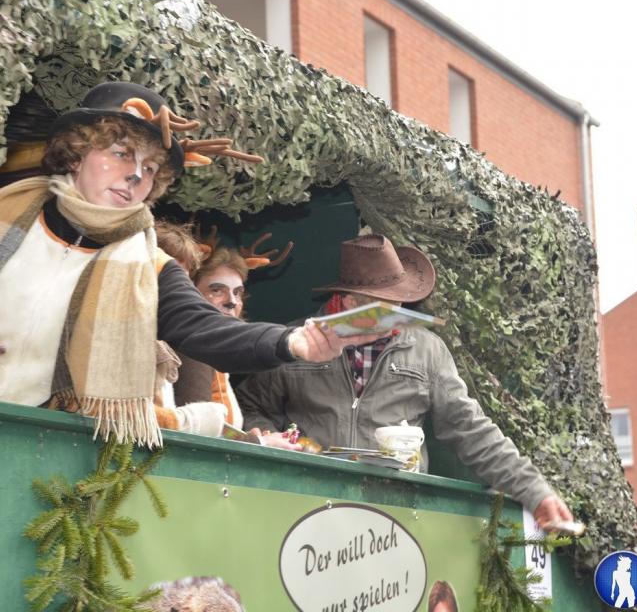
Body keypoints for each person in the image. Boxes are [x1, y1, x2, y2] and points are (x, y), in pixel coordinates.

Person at [0, 81, 376, 447]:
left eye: (150, 167)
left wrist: (291, 341)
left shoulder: (151, 267)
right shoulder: (8, 217)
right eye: (121, 153)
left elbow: (204, 327)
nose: (136, 174)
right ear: (75, 155)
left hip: (49, 444)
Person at [236, 234, 574, 530]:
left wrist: (535, 491)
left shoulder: (428, 350)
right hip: (304, 508)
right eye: (385, 308)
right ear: (349, 302)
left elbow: (470, 428)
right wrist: (270, 439)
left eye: (400, 303)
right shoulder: (296, 341)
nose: (398, 317)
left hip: (396, 519)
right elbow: (248, 406)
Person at [155, 221, 300, 449]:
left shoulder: (214, 353)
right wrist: (259, 442)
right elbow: (195, 435)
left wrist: (251, 439)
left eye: (237, 292)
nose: (231, 301)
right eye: (216, 290)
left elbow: (210, 427)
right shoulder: (190, 347)